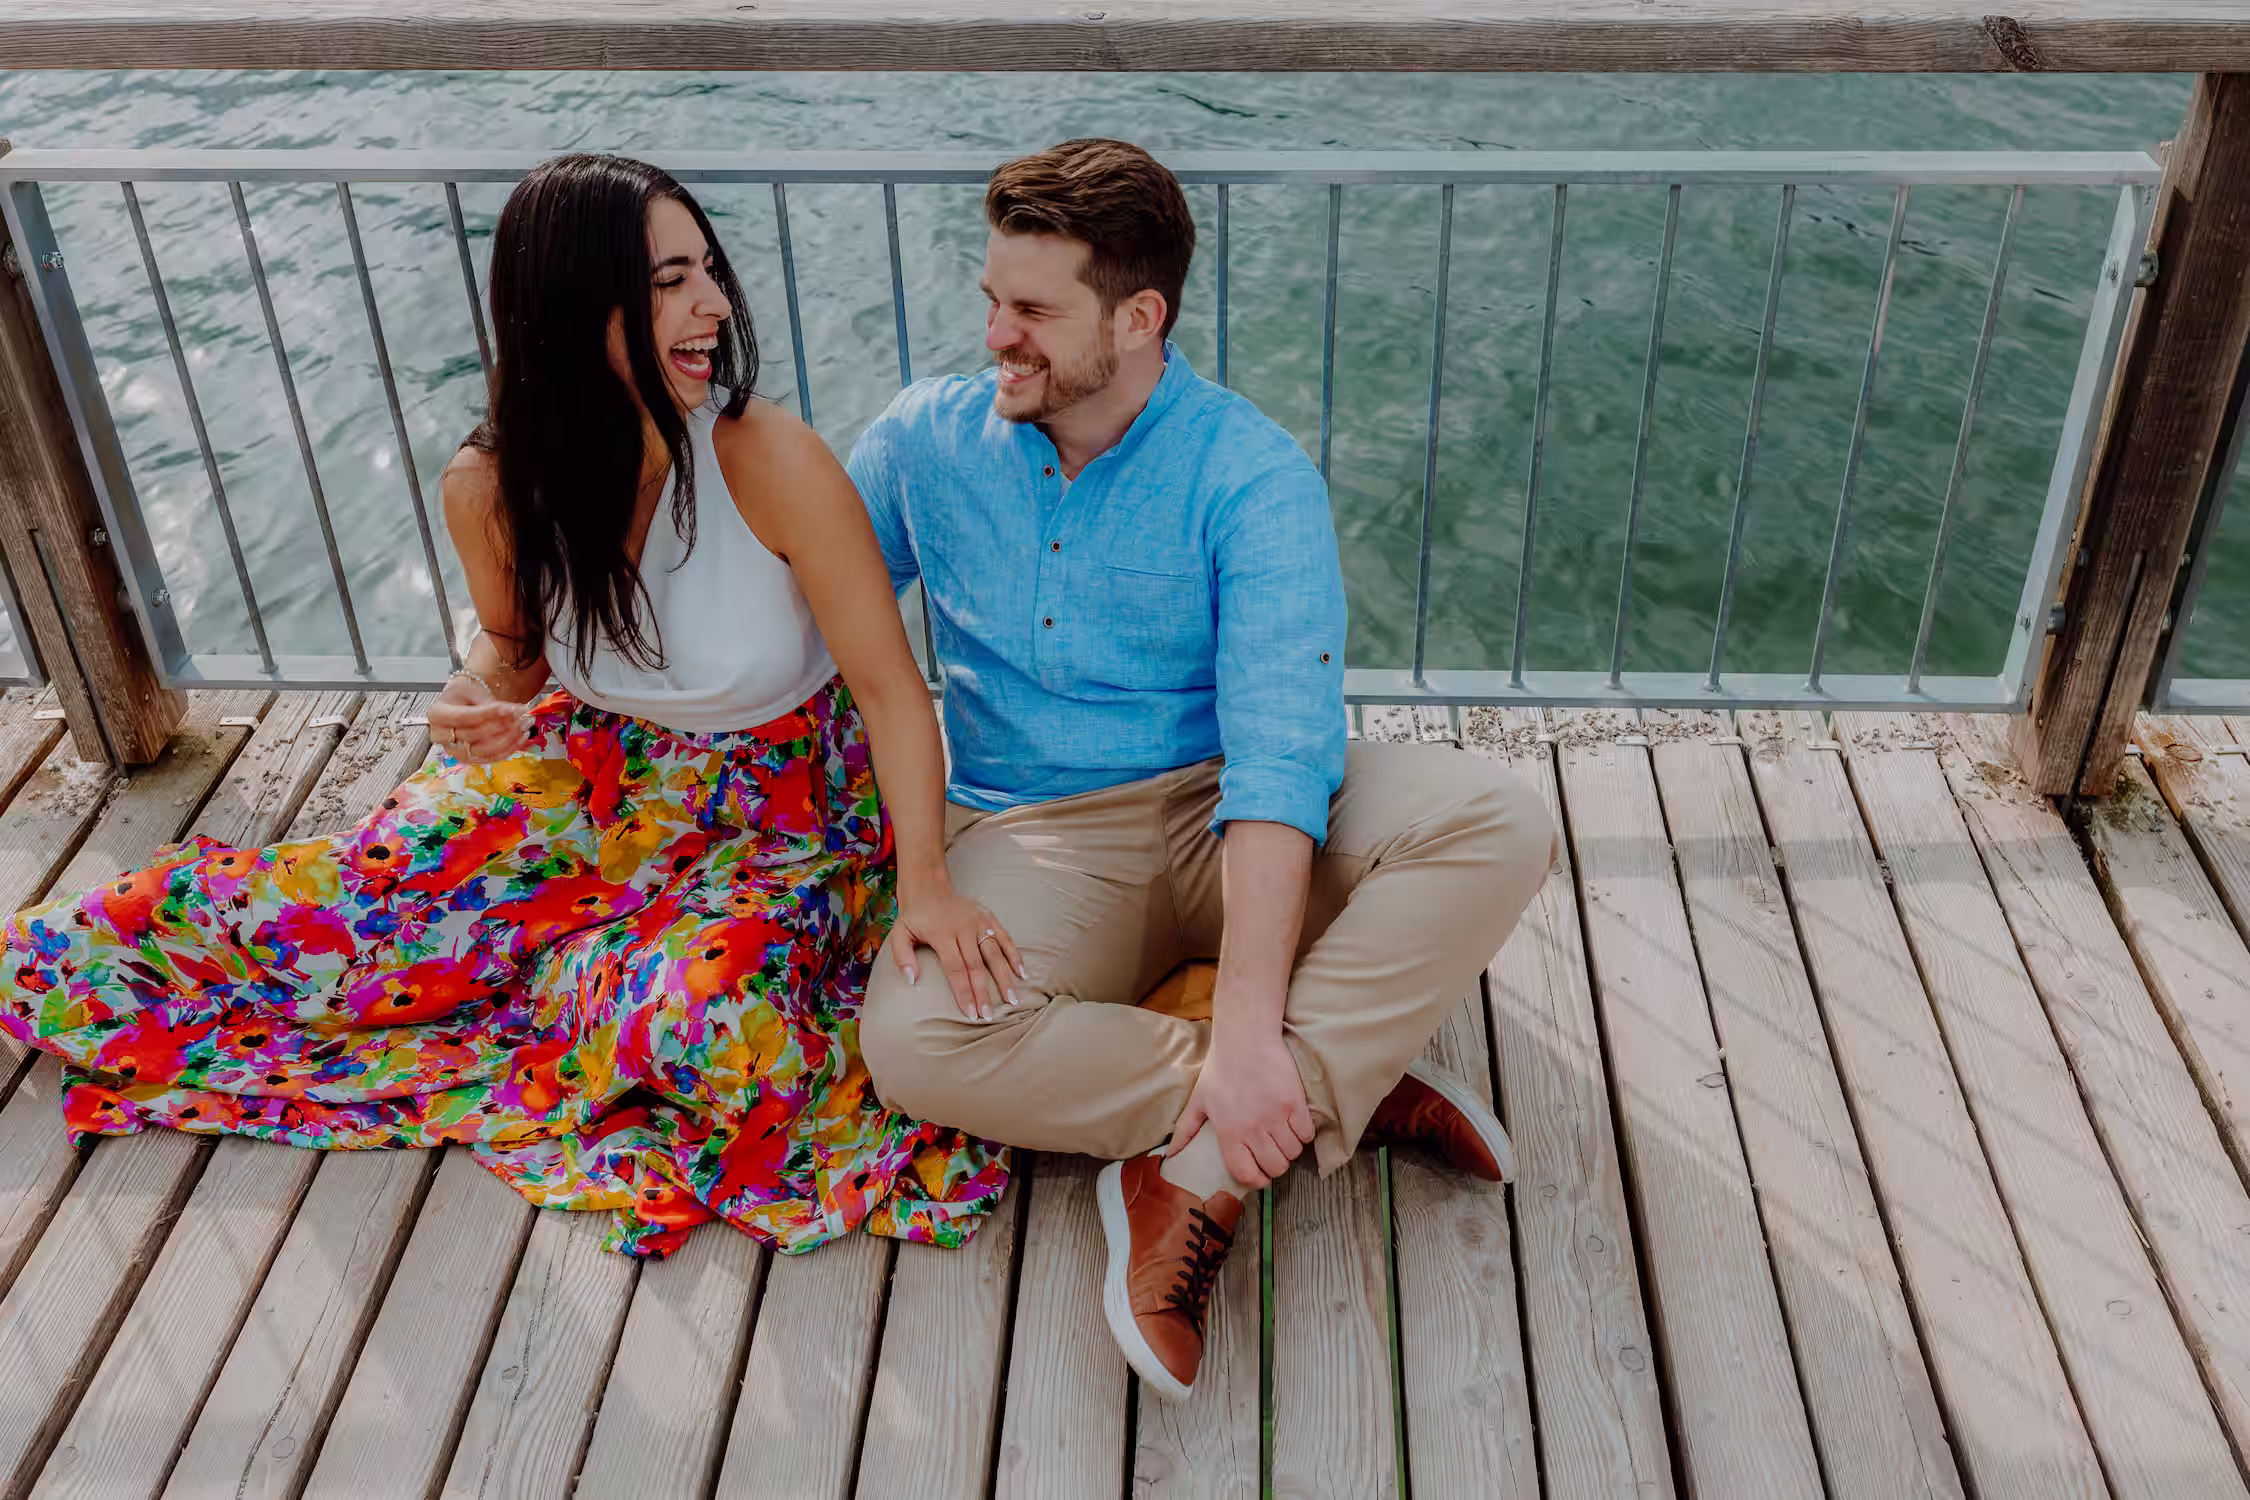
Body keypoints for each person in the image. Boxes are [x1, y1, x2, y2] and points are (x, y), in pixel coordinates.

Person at [0, 153, 1013, 1260]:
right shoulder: (492, 486)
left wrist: (926, 887)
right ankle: (546, 964)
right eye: (673, 280)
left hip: (780, 817)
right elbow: (520, 657)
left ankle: (563, 970)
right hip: (589, 783)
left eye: (708, 271)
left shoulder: (768, 458)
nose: (715, 304)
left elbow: (889, 691)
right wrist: (479, 697)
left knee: (718, 1026)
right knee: (306, 926)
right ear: (578, 307)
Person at [848, 138, 1555, 1401]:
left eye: (1033, 310)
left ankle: (1196, 1171)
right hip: (1037, 832)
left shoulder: (1250, 474)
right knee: (913, 1045)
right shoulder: (924, 444)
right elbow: (791, 612)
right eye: (991, 300)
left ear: (1137, 317)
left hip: (1226, 808)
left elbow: (1285, 762)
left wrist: (1244, 1027)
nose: (997, 334)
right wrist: (508, 649)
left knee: (1494, 819)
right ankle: (1334, 1088)